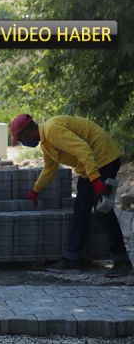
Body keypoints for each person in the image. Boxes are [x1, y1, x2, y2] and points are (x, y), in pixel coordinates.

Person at [10, 114, 132, 277]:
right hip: (90, 166)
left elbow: (82, 148)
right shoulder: (46, 142)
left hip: (104, 159)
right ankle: (71, 259)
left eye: (21, 139)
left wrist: (95, 178)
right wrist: (35, 190)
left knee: (103, 210)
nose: (23, 143)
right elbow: (50, 168)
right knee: (80, 208)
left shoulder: (52, 130)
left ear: (27, 132)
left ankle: (122, 262)